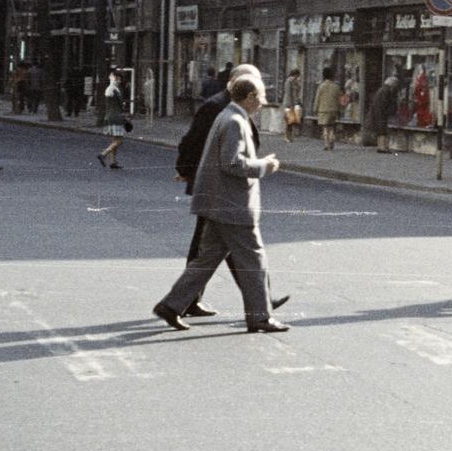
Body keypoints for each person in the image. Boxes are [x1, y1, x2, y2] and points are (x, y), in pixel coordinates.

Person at [153, 73, 290, 333]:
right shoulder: (235, 121)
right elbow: (231, 163)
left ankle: (171, 305)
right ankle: (260, 317)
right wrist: (264, 166)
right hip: (232, 205)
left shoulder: (228, 115)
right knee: (254, 259)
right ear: (249, 96)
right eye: (261, 96)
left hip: (218, 202)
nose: (263, 102)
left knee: (207, 259)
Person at [96, 70, 128, 170]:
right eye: (117, 79)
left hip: (112, 116)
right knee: (119, 141)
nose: (119, 81)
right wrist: (112, 78)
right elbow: (111, 93)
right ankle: (103, 154)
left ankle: (113, 162)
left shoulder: (115, 89)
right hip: (115, 118)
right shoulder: (111, 89)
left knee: (115, 140)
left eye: (119, 79)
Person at [313, 65, 342, 151]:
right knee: (332, 127)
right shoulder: (336, 86)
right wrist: (339, 109)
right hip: (334, 110)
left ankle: (327, 144)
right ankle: (332, 142)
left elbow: (317, 98)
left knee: (325, 128)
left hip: (323, 110)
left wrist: (315, 109)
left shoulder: (321, 86)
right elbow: (338, 99)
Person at [371, 75, 401, 153]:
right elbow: (384, 103)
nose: (396, 86)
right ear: (392, 84)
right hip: (381, 113)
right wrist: (387, 111)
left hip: (378, 112)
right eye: (395, 84)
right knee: (382, 130)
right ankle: (382, 147)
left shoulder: (382, 89)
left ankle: (380, 146)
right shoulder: (386, 91)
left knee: (380, 130)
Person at [282, 68, 302, 142]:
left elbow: (296, 93)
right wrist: (290, 104)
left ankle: (290, 136)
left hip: (294, 103)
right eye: (298, 75)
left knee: (292, 121)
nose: (298, 77)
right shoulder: (289, 81)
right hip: (289, 103)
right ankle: (286, 137)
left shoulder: (295, 82)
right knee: (288, 120)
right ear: (295, 75)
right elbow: (288, 93)